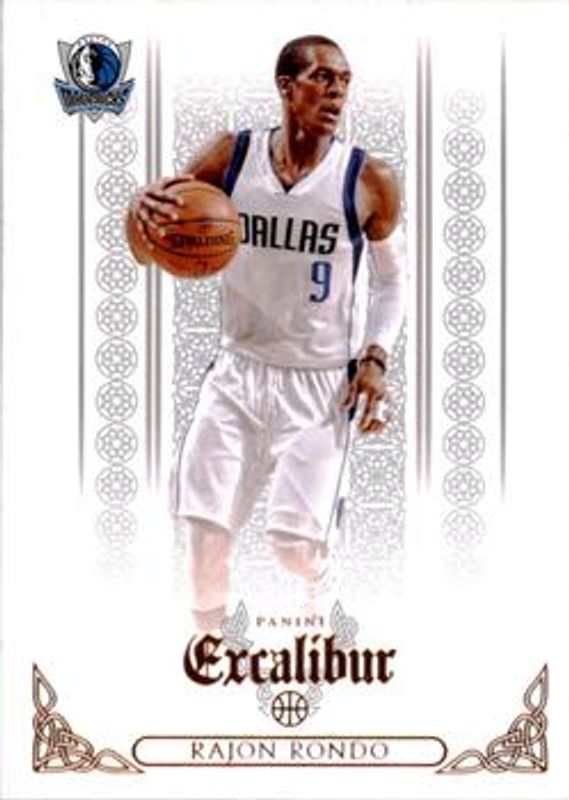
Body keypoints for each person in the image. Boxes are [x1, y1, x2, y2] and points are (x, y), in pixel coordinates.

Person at [128, 35, 406, 631]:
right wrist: (142, 211)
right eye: (322, 77)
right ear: (286, 85)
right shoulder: (231, 156)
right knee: (204, 532)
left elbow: (393, 283)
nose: (336, 92)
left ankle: (321, 590)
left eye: (344, 81)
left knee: (292, 549)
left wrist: (375, 360)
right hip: (237, 371)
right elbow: (148, 243)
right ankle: (209, 646)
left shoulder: (367, 178)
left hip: (319, 386)